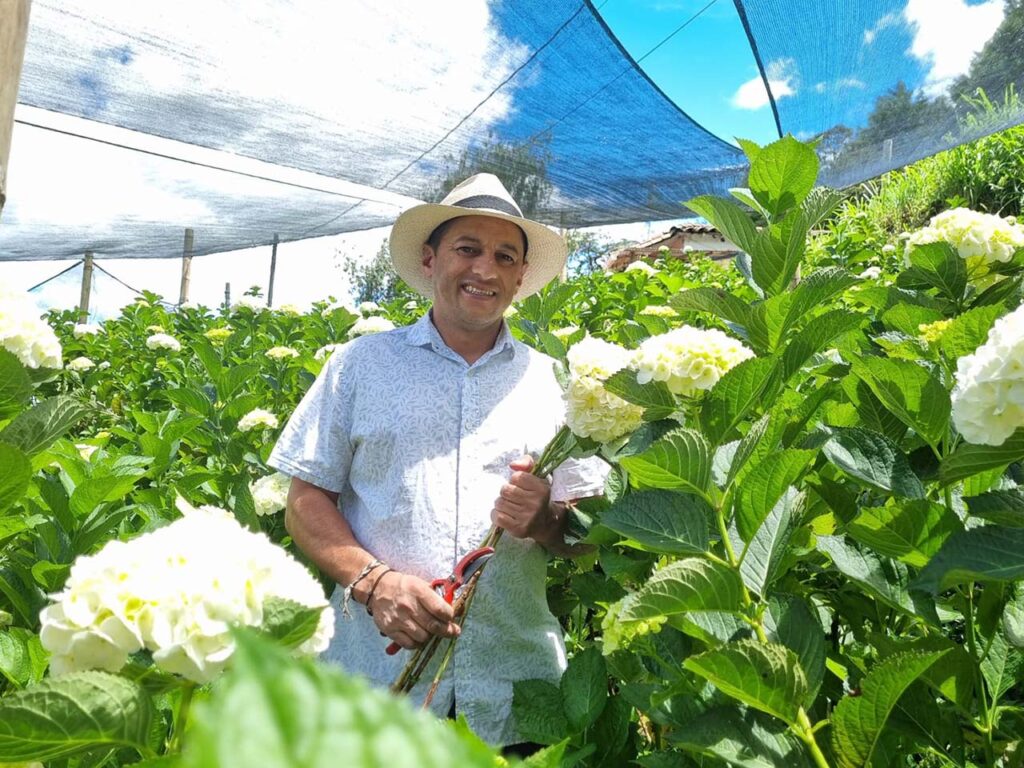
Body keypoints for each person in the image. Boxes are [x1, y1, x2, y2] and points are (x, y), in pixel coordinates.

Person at [268, 173, 605, 749]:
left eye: (505, 255)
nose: (485, 270)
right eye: (467, 249)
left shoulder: (556, 382)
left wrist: (547, 520)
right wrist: (375, 583)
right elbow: (305, 499)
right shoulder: (360, 365)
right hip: (371, 685)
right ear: (430, 260)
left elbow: (588, 536)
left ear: (522, 276)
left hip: (516, 692)